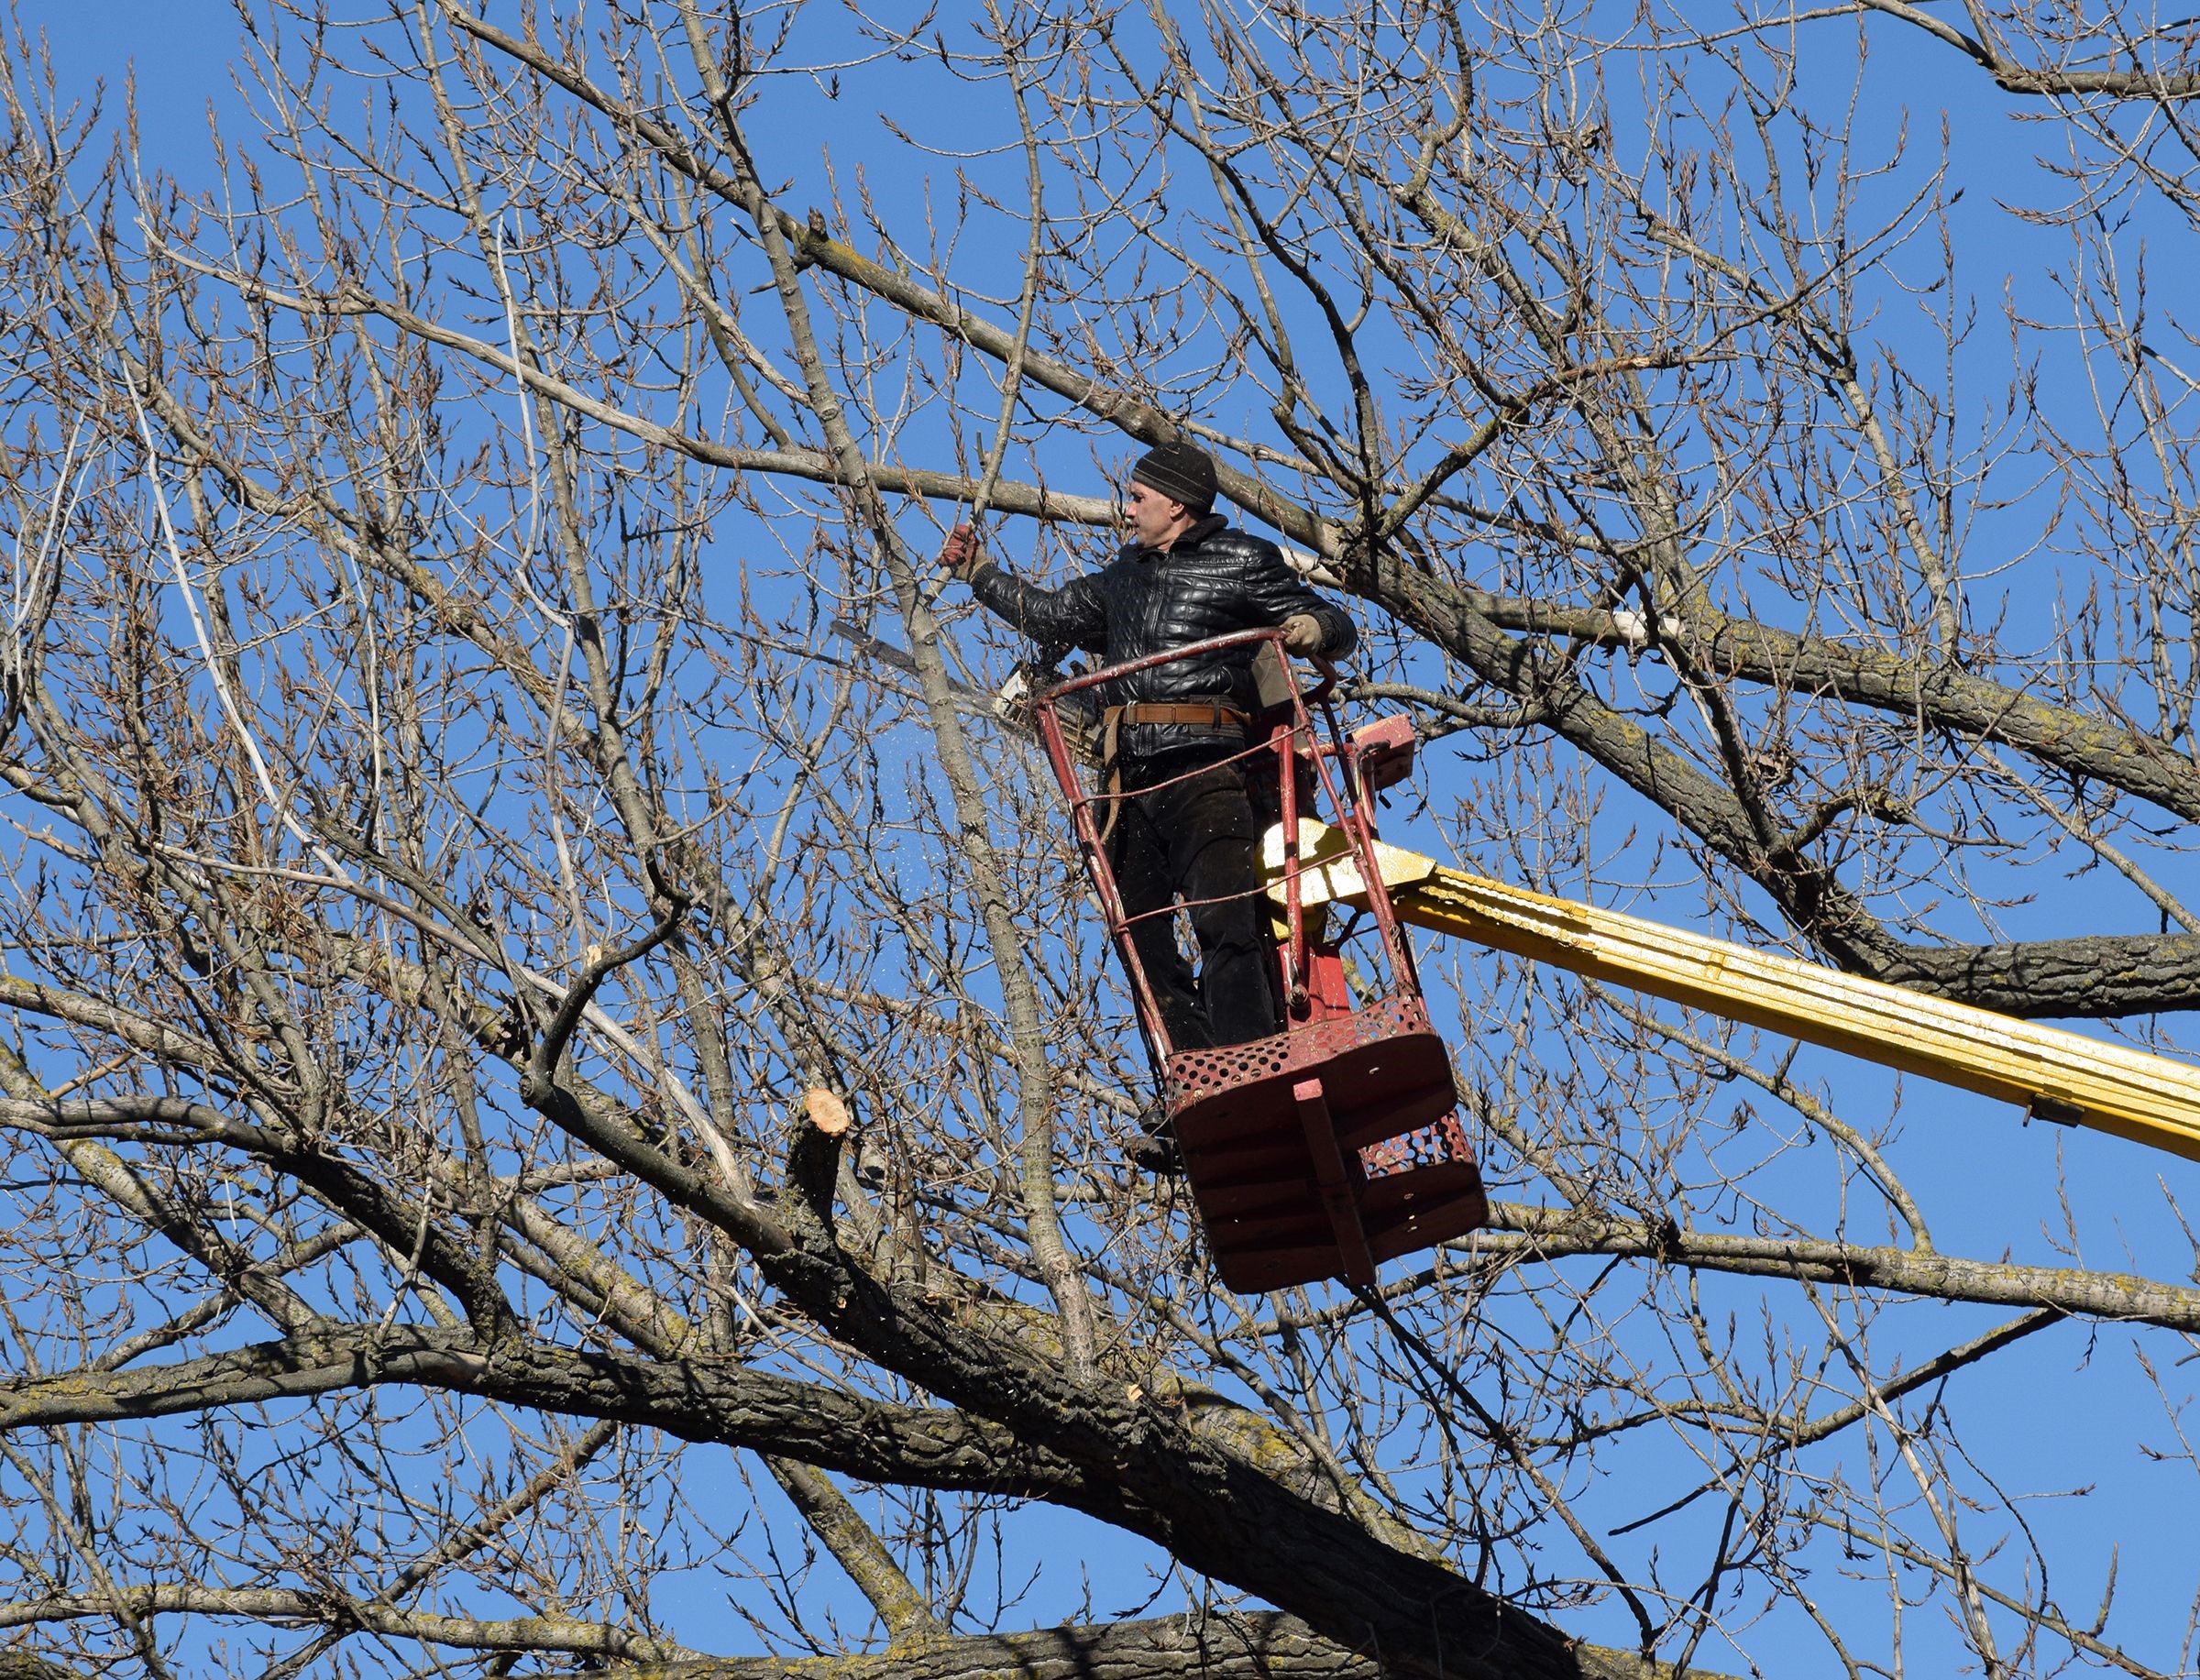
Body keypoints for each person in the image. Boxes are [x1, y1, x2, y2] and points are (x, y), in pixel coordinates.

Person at [938, 441, 1357, 1132]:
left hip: (1208, 769)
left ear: (1177, 506)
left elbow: (1338, 626)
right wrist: (979, 572)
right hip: (1131, 789)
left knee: (1226, 922)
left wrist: (1311, 626)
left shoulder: (1243, 561)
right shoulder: (1120, 581)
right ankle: (1195, 1075)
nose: (1126, 509)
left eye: (1137, 497)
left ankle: (1252, 1067)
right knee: (1141, 937)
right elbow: (1048, 614)